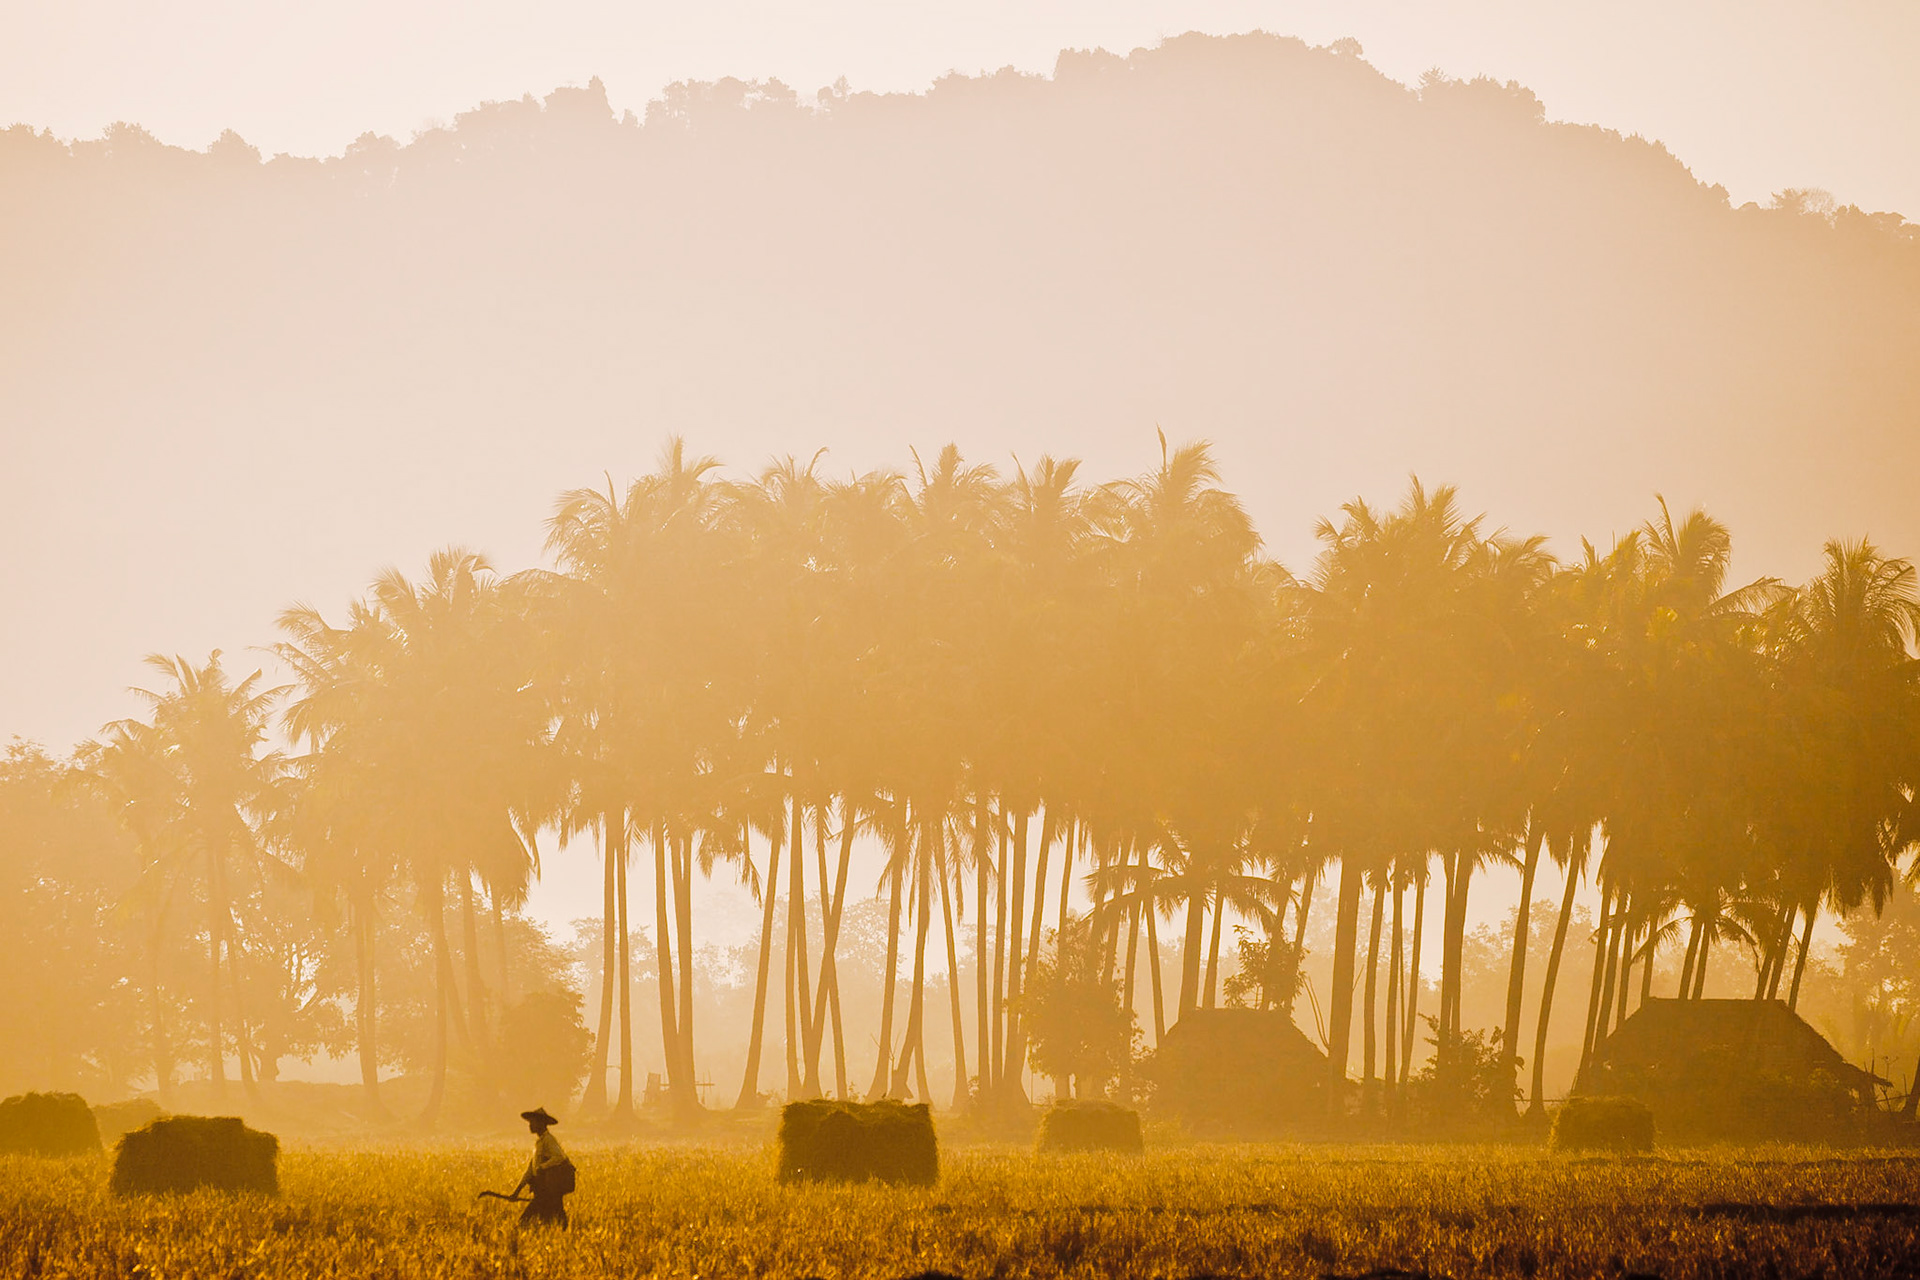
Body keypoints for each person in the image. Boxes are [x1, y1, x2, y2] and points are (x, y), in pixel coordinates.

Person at [512, 1107, 574, 1228]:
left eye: (533, 1122)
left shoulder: (549, 1140)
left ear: (541, 1123)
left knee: (526, 1220)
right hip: (543, 1189)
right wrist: (517, 1191)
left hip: (548, 1189)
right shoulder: (539, 1143)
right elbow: (530, 1170)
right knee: (554, 1219)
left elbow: (559, 1157)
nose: (530, 1125)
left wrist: (543, 1167)